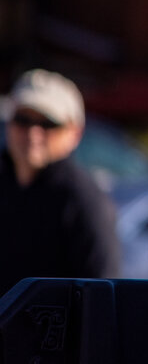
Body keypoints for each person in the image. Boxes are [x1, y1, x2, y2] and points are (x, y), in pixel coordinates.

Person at [0, 68, 121, 296]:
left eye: (48, 123)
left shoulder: (83, 200)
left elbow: (102, 297)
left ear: (75, 132)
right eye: (23, 119)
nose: (33, 133)